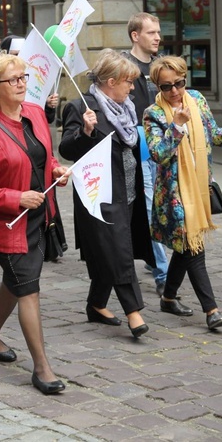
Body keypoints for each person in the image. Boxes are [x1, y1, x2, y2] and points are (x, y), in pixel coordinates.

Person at [0, 53, 68, 394]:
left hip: (41, 215)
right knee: (28, 289)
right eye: (14, 79)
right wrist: (15, 198)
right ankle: (42, 367)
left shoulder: (35, 113)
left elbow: (45, 154)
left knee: (16, 281)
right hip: (9, 223)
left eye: (24, 77)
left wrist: (55, 168)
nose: (23, 83)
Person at [144, 55, 222, 330]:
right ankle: (211, 310)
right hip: (174, 195)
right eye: (167, 86)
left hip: (199, 186)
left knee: (186, 247)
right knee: (194, 247)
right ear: (158, 87)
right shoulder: (152, 114)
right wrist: (176, 126)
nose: (175, 91)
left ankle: (168, 297)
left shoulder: (197, 100)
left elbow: (211, 134)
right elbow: (158, 154)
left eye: (179, 83)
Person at [59, 49, 152, 338]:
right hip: (99, 193)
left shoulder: (127, 107)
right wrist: (85, 132)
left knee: (108, 250)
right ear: (111, 81)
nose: (133, 87)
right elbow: (66, 150)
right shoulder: (82, 107)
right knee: (118, 250)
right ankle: (133, 311)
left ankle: (97, 304)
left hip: (127, 190)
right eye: (128, 82)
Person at [121, 12, 170, 296]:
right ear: (135, 35)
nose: (158, 37)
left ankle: (154, 261)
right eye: (151, 32)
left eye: (158, 32)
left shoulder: (159, 67)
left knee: (162, 210)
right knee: (149, 210)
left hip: (163, 148)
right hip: (137, 150)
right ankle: (163, 273)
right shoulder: (124, 67)